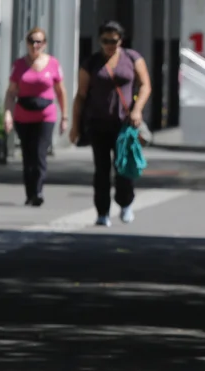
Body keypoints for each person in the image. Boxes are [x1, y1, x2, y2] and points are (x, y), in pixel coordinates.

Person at [69, 20, 151, 227]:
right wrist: (75, 126)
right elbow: (80, 95)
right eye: (105, 40)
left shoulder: (132, 58)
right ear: (99, 40)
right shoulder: (92, 63)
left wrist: (138, 109)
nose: (109, 45)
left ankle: (125, 203)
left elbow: (145, 86)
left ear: (120, 40)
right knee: (102, 169)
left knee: (124, 166)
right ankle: (102, 211)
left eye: (113, 41)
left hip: (124, 124)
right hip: (98, 123)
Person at [3, 27, 67, 207]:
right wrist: (8, 114)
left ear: (44, 44)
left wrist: (65, 117)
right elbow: (11, 93)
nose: (35, 45)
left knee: (40, 153)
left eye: (39, 41)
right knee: (28, 155)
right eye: (32, 41)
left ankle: (38, 191)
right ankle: (30, 193)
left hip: (45, 116)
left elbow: (61, 92)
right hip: (23, 115)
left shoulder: (53, 64)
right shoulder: (19, 65)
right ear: (27, 43)